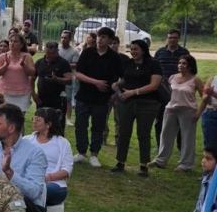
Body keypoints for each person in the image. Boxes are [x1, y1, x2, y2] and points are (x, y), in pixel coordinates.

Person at [0, 103, 47, 212]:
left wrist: (9, 172)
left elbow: (34, 192)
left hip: (25, 211)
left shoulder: (35, 153)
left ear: (11, 128)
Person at [24, 107, 72, 212]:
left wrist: (47, 177)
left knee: (40, 192)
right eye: (34, 118)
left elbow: (67, 170)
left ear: (49, 124)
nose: (34, 121)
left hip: (55, 185)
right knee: (36, 194)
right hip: (31, 184)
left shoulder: (61, 143)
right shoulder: (27, 140)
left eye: (38, 119)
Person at [74, 26, 124, 168]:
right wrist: (95, 82)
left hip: (102, 98)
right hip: (84, 95)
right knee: (80, 124)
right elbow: (78, 74)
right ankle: (81, 152)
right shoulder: (87, 52)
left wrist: (116, 85)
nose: (100, 39)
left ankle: (94, 154)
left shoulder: (114, 57)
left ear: (109, 40)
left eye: (103, 37)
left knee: (98, 126)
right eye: (99, 36)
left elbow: (123, 77)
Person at [112, 39, 162, 177]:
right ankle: (120, 162)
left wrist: (134, 92)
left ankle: (143, 165)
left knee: (143, 134)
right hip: (126, 103)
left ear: (143, 50)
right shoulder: (127, 63)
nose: (133, 52)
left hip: (147, 103)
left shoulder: (154, 64)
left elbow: (154, 85)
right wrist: (117, 84)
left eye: (136, 49)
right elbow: (125, 79)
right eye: (131, 49)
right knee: (123, 132)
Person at [154, 29, 190, 142]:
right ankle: (160, 144)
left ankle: (180, 145)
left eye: (175, 38)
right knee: (160, 118)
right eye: (170, 38)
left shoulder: (184, 52)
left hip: (179, 88)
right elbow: (154, 68)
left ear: (178, 39)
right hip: (162, 89)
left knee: (179, 119)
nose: (172, 40)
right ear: (167, 38)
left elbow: (189, 69)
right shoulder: (160, 52)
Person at [33, 41, 73, 132]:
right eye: (48, 53)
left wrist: (57, 79)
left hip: (58, 98)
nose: (51, 55)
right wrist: (33, 94)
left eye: (53, 53)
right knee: (40, 122)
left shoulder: (63, 63)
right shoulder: (39, 62)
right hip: (42, 98)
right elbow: (31, 79)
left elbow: (69, 80)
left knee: (57, 124)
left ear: (57, 51)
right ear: (45, 50)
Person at [0, 33, 36, 112]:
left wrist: (23, 65)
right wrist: (5, 65)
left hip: (22, 93)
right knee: (4, 115)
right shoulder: (3, 56)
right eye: (11, 41)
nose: (12, 43)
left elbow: (32, 73)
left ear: (21, 45)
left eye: (15, 41)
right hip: (4, 92)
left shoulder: (27, 56)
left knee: (19, 115)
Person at [58, 30, 81, 126]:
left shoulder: (74, 52)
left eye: (65, 38)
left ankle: (68, 119)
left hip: (69, 78)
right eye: (62, 37)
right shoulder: (57, 49)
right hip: (58, 77)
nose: (63, 39)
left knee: (68, 99)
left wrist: (63, 64)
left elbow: (75, 64)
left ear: (69, 39)